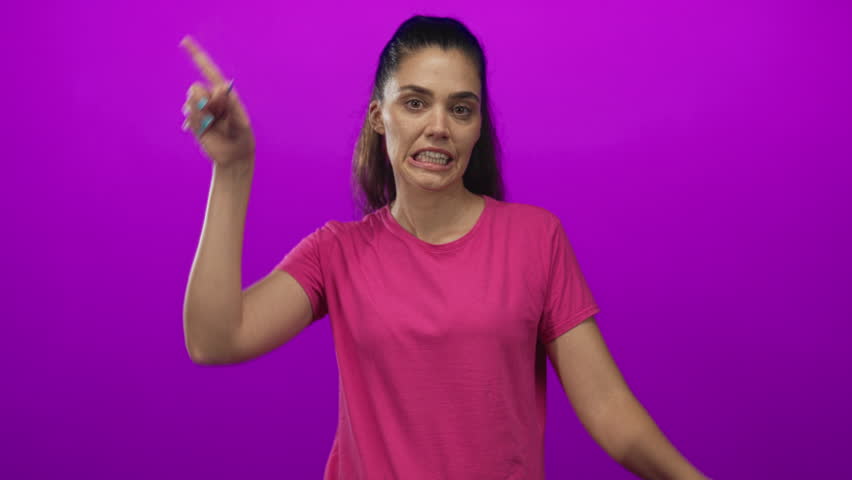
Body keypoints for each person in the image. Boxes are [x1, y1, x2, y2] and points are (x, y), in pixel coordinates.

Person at [181, 15, 711, 480]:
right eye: (415, 103)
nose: (438, 127)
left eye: (461, 110)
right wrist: (232, 169)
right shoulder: (336, 253)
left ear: (478, 126)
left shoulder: (535, 239)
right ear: (378, 117)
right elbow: (215, 339)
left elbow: (608, 407)